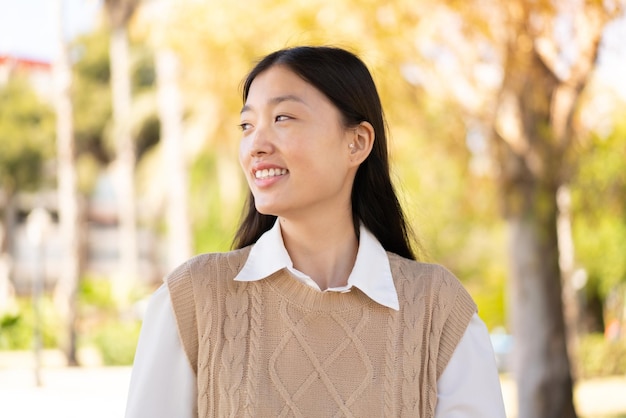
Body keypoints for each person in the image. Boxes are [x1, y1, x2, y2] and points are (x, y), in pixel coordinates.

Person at [125, 45, 506, 418]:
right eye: (247, 125)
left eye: (283, 118)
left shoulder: (438, 310)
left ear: (356, 143)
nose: (255, 145)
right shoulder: (193, 299)